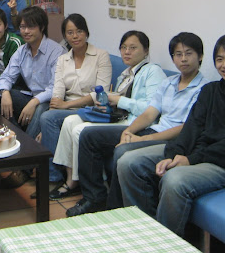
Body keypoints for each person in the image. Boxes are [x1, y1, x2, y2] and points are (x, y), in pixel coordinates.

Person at [116, 34, 225, 236]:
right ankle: (144, 232)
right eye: (219, 59)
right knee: (129, 162)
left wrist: (191, 159)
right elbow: (191, 128)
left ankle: (166, 243)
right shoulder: (211, 91)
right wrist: (173, 155)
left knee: (175, 179)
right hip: (196, 154)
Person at [65, 32, 209, 216]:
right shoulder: (169, 82)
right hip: (152, 130)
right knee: (89, 136)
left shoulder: (204, 89)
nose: (183, 59)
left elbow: (186, 128)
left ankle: (115, 209)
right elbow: (149, 114)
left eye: (188, 54)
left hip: (174, 140)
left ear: (200, 56)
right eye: (178, 54)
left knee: (122, 151)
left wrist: (143, 138)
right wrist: (128, 132)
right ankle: (94, 198)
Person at [50, 30, 166, 199]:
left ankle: (92, 184)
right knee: (70, 121)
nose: (127, 52)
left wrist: (118, 100)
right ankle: (72, 179)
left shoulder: (152, 71)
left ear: (146, 51)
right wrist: (107, 103)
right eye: (123, 47)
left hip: (135, 124)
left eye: (133, 48)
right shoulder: (125, 74)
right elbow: (118, 102)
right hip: (119, 117)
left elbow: (151, 109)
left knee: (80, 130)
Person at [0, 6, 67, 188]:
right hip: (30, 97)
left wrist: (35, 101)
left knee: (40, 110)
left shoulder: (56, 51)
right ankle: (16, 141)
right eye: (22, 27)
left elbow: (55, 87)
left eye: (30, 27)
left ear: (42, 27)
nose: (25, 31)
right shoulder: (22, 51)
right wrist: (5, 92)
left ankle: (24, 167)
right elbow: (6, 77)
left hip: (51, 101)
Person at [38, 14, 112, 186]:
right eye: (70, 33)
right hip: (65, 109)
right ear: (65, 36)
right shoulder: (62, 59)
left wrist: (66, 105)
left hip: (91, 109)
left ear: (86, 32)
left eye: (79, 31)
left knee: (48, 118)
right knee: (46, 117)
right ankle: (56, 175)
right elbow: (58, 91)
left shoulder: (101, 56)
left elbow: (101, 93)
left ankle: (53, 177)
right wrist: (49, 120)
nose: (75, 36)